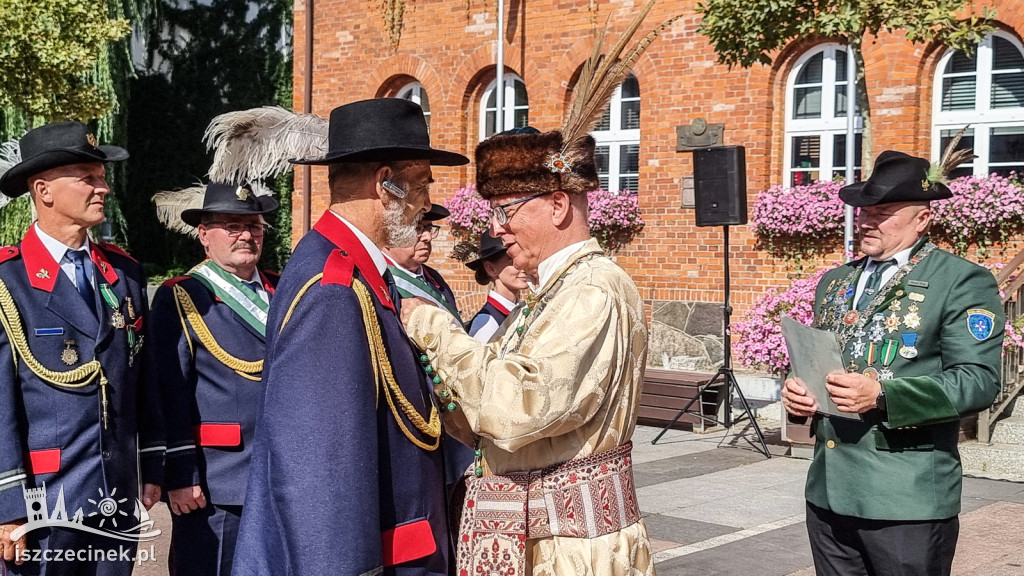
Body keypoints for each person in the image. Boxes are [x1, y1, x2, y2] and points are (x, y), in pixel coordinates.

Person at [231, 98, 469, 576]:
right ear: (385, 186)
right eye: (421, 185)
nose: (425, 203)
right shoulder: (333, 289)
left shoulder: (356, 272)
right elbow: (320, 474)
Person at [401, 123, 653, 573]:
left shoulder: (591, 288)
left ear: (558, 205)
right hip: (539, 541)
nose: (497, 228)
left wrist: (432, 325)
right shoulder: (550, 289)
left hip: (569, 551)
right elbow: (480, 414)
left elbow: (519, 407)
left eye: (506, 209)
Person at [782, 150, 1004, 576]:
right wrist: (798, 391)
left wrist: (883, 395)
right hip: (830, 491)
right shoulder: (837, 280)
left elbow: (978, 381)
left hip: (906, 499)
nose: (866, 220)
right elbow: (825, 359)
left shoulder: (959, 280)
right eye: (864, 211)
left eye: (883, 212)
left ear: (921, 219)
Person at [0, 121, 162, 575]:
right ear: (43, 191)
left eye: (102, 177)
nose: (103, 188)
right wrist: (7, 504)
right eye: (87, 177)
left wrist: (151, 464)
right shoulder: (8, 282)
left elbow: (140, 378)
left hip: (115, 493)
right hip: (46, 498)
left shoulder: (124, 273)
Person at [149, 182, 279, 576]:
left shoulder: (282, 288)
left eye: (254, 226)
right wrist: (180, 475)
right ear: (204, 235)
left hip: (281, 472)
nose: (245, 236)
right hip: (218, 477)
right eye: (231, 225)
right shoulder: (183, 296)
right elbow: (169, 391)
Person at [383, 204, 459, 317]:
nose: (427, 237)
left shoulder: (434, 277)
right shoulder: (379, 278)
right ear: (389, 236)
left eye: (429, 229)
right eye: (417, 228)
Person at [464, 231, 528, 342]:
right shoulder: (485, 322)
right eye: (512, 261)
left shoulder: (519, 309)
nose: (521, 266)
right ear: (491, 269)